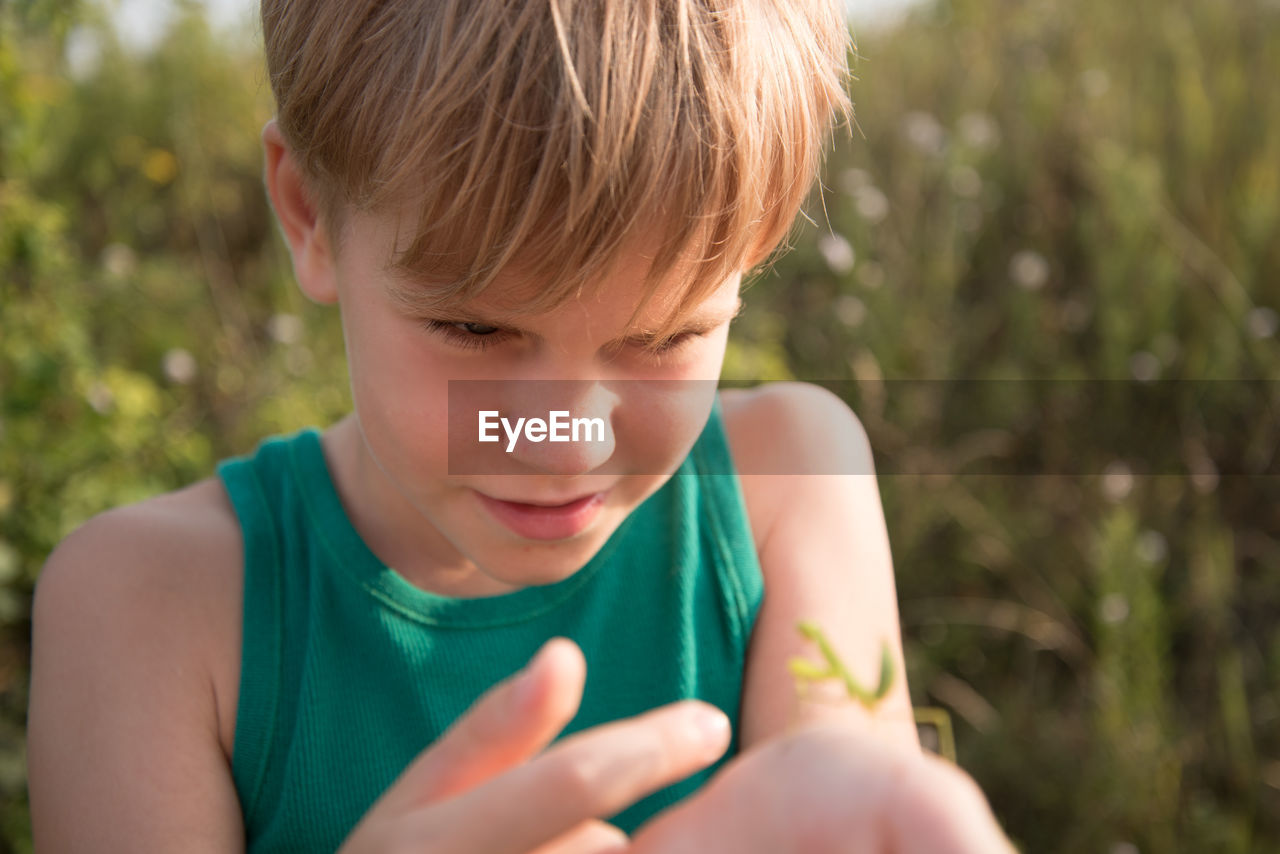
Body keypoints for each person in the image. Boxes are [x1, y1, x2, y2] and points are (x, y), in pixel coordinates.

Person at [26, 0, 1015, 851]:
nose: (563, 437)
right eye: (474, 326)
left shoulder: (786, 487)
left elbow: (836, 774)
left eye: (662, 335)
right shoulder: (147, 608)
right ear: (307, 211)